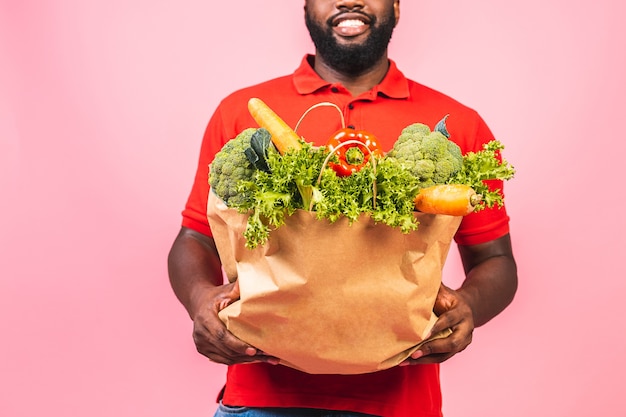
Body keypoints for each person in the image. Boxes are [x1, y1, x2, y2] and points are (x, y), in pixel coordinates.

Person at [168, 1, 518, 416]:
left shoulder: (457, 124)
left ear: (396, 6)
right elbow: (194, 238)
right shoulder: (242, 112)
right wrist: (200, 300)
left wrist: (470, 307)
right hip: (260, 399)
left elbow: (496, 260)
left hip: (401, 400)